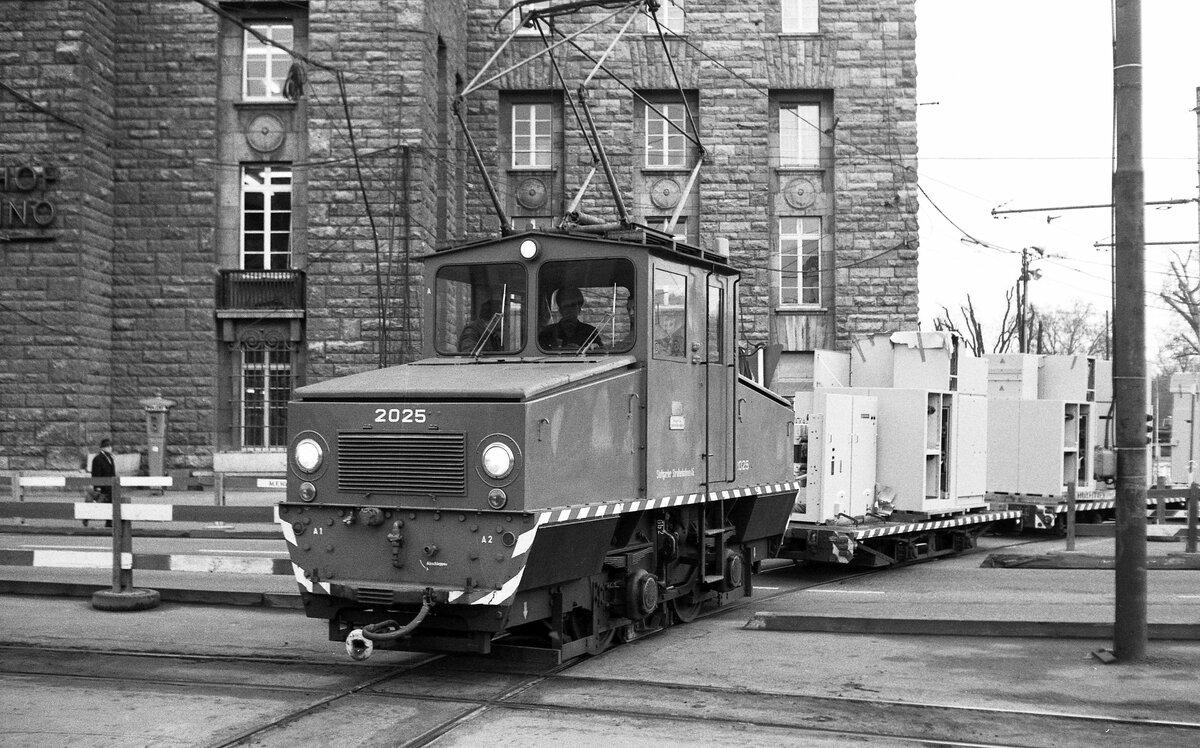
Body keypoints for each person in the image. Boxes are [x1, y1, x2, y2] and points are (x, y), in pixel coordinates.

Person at [539, 286, 602, 350]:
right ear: (560, 310)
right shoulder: (547, 332)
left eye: (573, 305)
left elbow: (599, 353)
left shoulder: (590, 332)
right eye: (566, 306)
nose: (570, 310)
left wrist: (580, 349)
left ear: (579, 309)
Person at [90, 437, 117, 528]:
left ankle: (109, 522)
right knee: (98, 504)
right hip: (103, 486)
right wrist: (97, 487)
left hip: (110, 486)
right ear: (104, 448)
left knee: (110, 503)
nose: (111, 448)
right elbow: (96, 474)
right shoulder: (98, 459)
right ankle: (86, 516)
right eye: (109, 447)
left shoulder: (110, 458)